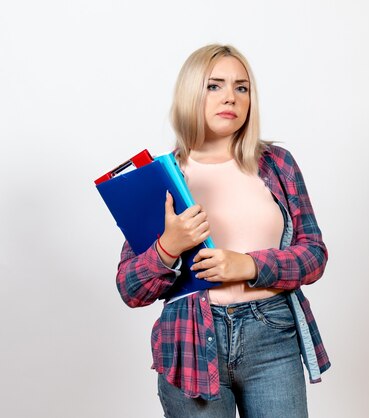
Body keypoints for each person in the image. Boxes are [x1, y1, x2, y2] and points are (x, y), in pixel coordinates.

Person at [116, 44, 330, 418]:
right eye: (214, 86)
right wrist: (169, 246)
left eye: (241, 87)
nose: (230, 97)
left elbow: (314, 254)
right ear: (190, 94)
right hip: (191, 340)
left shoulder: (276, 164)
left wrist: (247, 265)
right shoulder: (165, 178)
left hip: (272, 334)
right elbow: (131, 288)